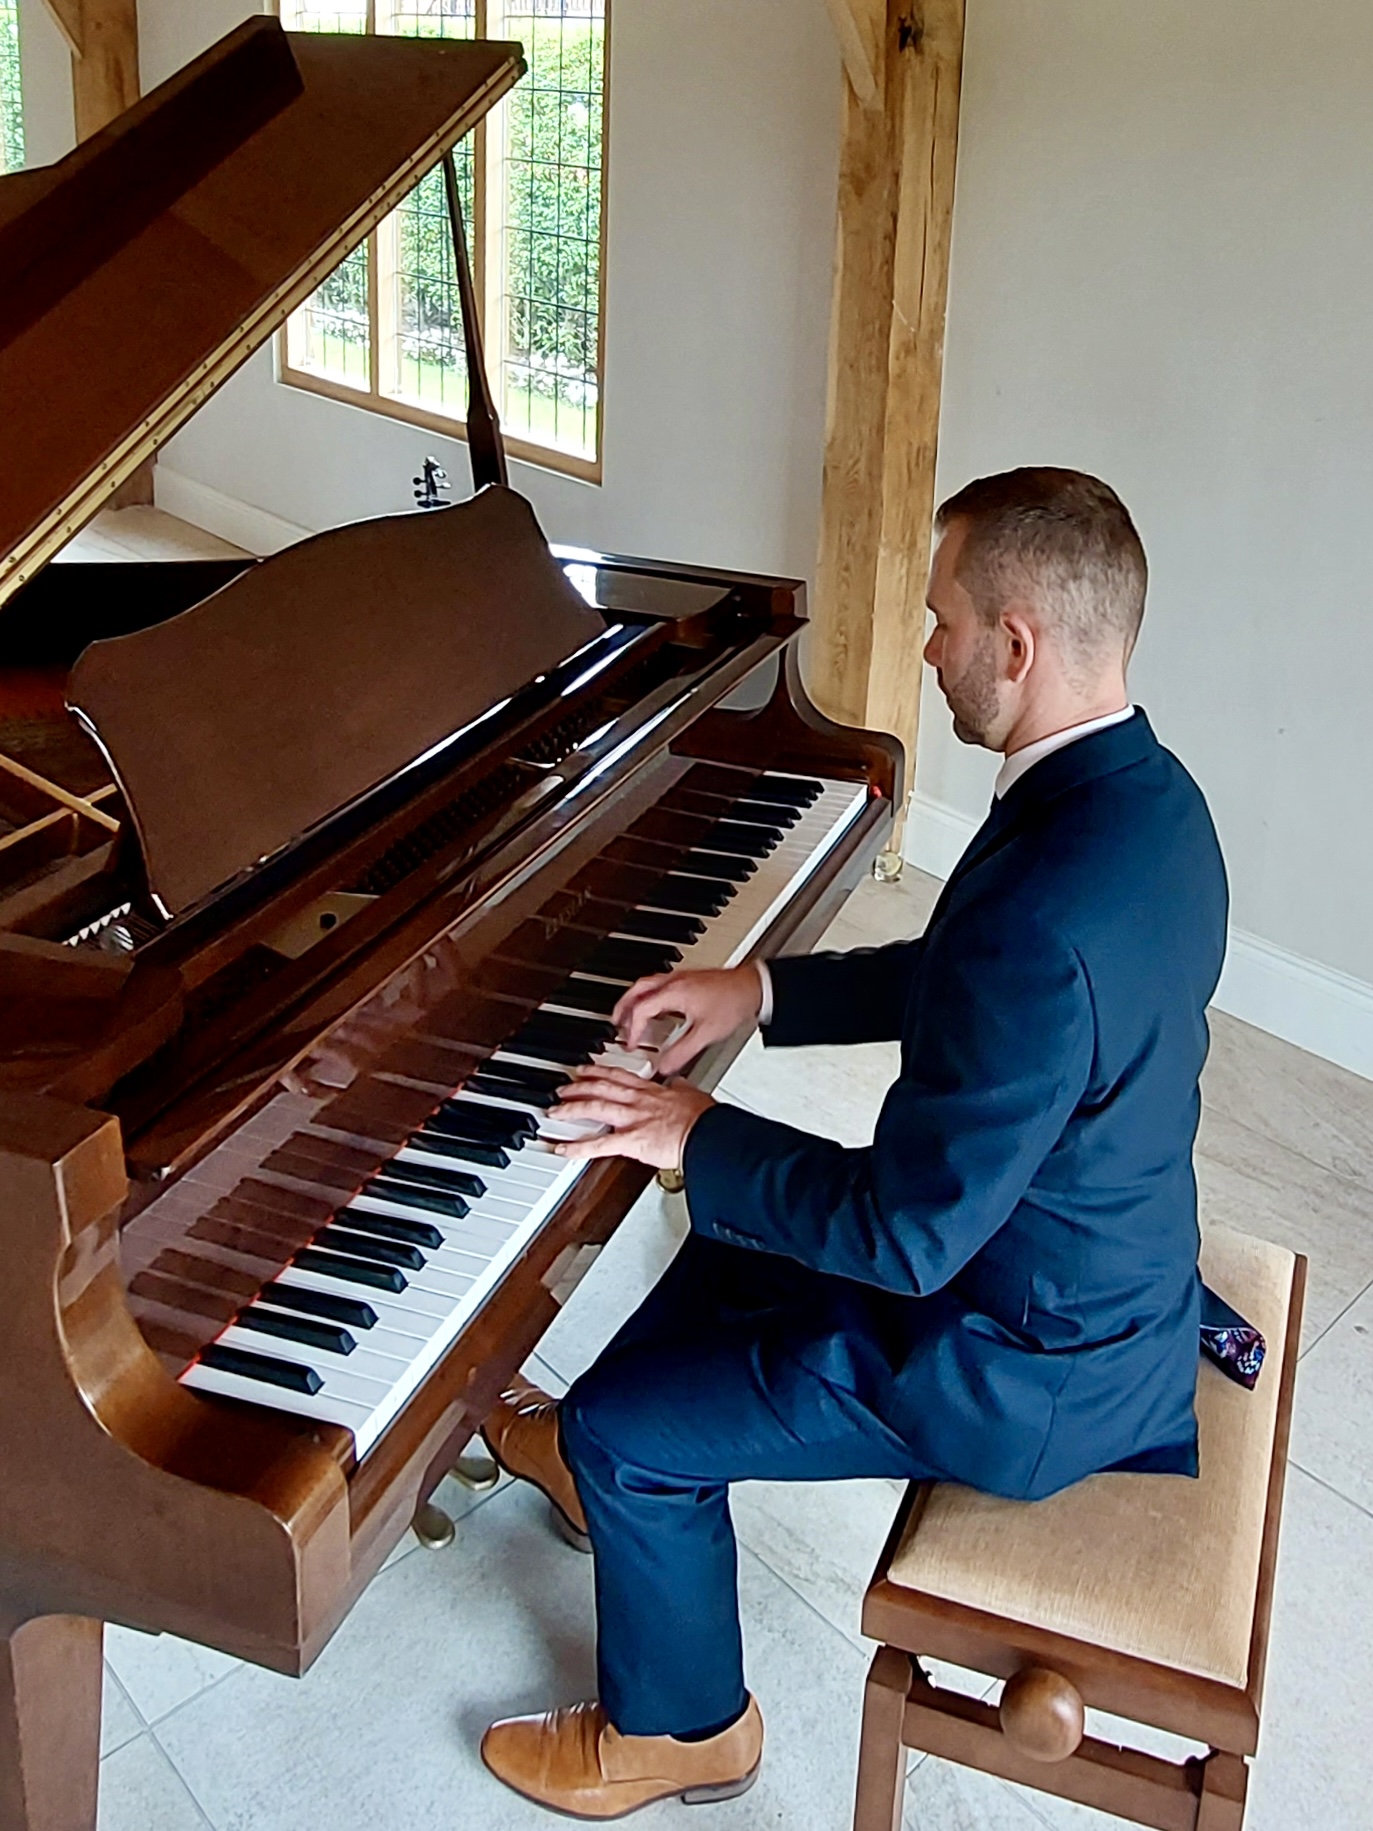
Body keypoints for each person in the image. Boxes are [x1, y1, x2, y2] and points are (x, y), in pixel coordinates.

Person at [478, 468, 1228, 1819]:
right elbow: (976, 983)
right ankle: (601, 1476)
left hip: (1022, 1363)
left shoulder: (1041, 908)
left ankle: (684, 1728)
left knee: (626, 1416)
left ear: (1015, 642)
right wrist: (758, 991)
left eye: (942, 623)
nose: (926, 649)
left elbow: (903, 1232)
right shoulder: (1145, 805)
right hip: (1078, 1266)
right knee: (729, 1226)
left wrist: (687, 1123)